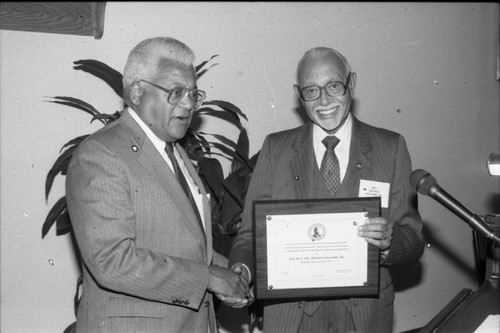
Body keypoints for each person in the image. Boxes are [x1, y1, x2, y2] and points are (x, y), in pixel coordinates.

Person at [229, 47, 425, 332]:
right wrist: (242, 271)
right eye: (311, 90)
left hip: (365, 315)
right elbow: (250, 235)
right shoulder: (276, 148)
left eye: (333, 86)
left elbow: (414, 237)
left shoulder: (390, 147)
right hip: (290, 316)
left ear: (351, 83)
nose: (324, 100)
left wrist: (389, 243)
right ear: (299, 94)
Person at [66, 37, 250, 333]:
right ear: (137, 92)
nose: (189, 104)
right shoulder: (101, 154)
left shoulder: (175, 152)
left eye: (193, 93)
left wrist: (230, 273)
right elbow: (111, 261)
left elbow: (186, 245)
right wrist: (210, 278)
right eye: (176, 92)